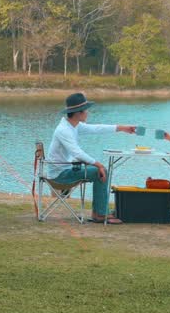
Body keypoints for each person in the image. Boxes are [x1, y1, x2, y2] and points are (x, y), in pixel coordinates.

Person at [47, 92, 138, 223]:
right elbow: (77, 153)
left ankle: (99, 212)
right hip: (60, 175)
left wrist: (122, 128)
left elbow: (97, 128)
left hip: (66, 169)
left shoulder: (73, 125)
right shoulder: (64, 130)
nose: (88, 113)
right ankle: (100, 214)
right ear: (78, 112)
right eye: (86, 110)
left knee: (99, 171)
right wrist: (98, 165)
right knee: (99, 171)